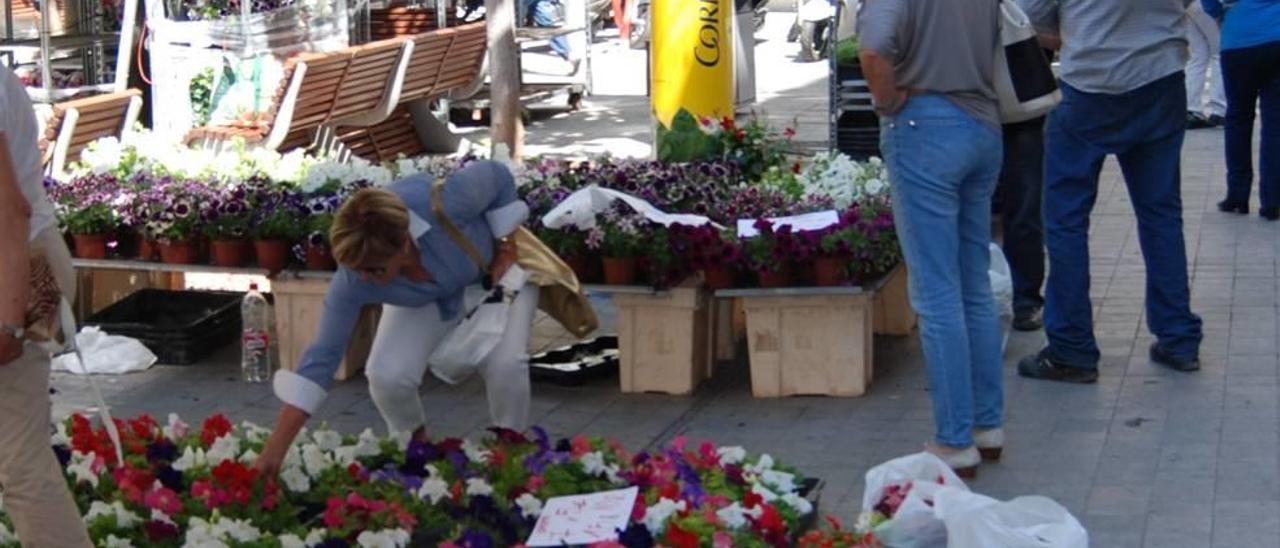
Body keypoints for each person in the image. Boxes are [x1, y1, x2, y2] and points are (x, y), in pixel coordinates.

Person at [255, 161, 538, 476]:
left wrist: (505, 245)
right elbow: (322, 356)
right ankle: (415, 449)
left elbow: (497, 174)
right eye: (357, 270)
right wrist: (275, 449)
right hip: (430, 300)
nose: (364, 279)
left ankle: (512, 457)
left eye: (376, 270)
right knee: (386, 374)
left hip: (495, 282)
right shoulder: (356, 275)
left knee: (506, 364)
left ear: (405, 245)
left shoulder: (447, 202)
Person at [1018, 0, 1204, 382]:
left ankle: (1072, 348)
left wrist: (1078, 32)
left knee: (1066, 221)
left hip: (1090, 83)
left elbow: (1028, 21)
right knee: (1161, 214)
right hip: (1160, 79)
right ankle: (1178, 337)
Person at [858, 0, 1003, 477]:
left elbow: (874, 49)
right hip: (983, 123)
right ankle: (987, 426)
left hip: (924, 126)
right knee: (973, 285)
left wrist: (885, 101)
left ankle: (954, 440)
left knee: (936, 294)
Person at [0, 64, 93, 547]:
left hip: (14, 269)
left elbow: (8, 209)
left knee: (18, 458)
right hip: (24, 260)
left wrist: (9, 323)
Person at [1203, 0, 1280, 219]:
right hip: (1277, 34)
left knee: (1238, 118)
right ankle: (1273, 200)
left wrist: (1217, 14)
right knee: (1275, 123)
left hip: (1239, 37)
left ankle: (1237, 195)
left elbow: (1209, 3)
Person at [997, 116, 1047, 332]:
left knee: (1025, 210)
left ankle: (1025, 300)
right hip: (969, 106)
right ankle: (1023, 301)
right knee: (1025, 210)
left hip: (1021, 112)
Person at [1185, 2, 1228, 129]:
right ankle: (1220, 110)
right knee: (1220, 54)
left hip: (1186, 5)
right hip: (1207, 4)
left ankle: (1191, 109)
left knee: (1197, 58)